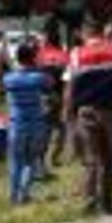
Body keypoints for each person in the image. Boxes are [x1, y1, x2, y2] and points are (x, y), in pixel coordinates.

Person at [66, 19, 112, 215]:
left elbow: (71, 87)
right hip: (110, 111)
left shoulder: (77, 54)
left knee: (92, 158)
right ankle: (108, 204)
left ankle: (90, 202)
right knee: (109, 159)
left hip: (86, 111)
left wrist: (69, 113)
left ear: (86, 32)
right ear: (102, 32)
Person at [2, 42, 50, 204]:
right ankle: (24, 194)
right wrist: (37, 67)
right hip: (36, 123)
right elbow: (50, 83)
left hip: (17, 123)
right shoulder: (38, 78)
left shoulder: (9, 79)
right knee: (31, 160)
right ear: (32, 58)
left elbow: (5, 81)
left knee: (16, 160)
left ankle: (13, 194)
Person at [36, 23, 71, 171]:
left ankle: (41, 159)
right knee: (62, 129)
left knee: (45, 129)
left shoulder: (40, 55)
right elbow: (67, 78)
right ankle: (55, 157)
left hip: (43, 96)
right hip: (60, 95)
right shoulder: (64, 55)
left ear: (47, 40)